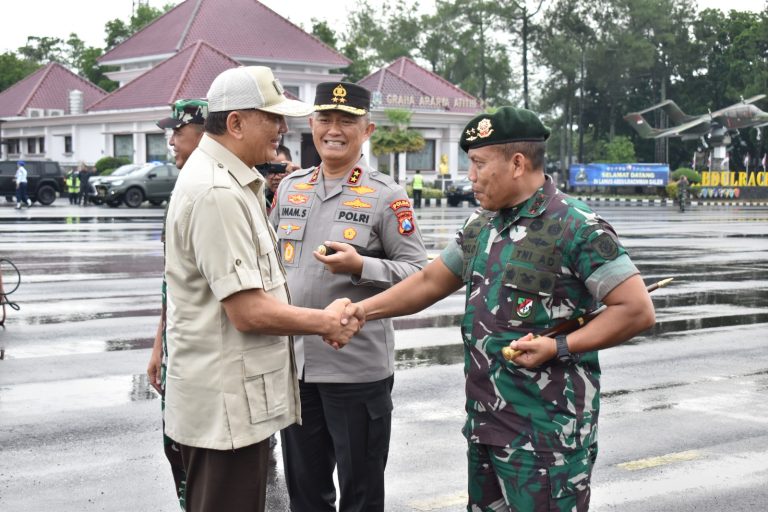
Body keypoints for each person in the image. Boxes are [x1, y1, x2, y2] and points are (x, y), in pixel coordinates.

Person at [345, 106, 656, 511]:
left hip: (547, 438)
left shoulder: (576, 226)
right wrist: (361, 312)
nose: (469, 176)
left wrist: (558, 348)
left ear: (517, 163)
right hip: (486, 426)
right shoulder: (483, 225)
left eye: (477, 164)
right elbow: (428, 282)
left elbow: (635, 309)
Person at [163, 66, 360, 512]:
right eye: (271, 118)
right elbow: (248, 311)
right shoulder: (217, 191)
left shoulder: (231, 179)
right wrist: (325, 321)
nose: (282, 129)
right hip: (225, 411)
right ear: (235, 123)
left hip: (232, 406)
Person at [271, 82, 428, 512]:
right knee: (305, 493)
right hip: (298, 368)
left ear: (368, 130)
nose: (334, 130)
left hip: (357, 371)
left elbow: (420, 274)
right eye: (325, 119)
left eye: (347, 121)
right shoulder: (290, 188)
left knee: (360, 495)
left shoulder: (386, 195)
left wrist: (362, 266)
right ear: (312, 125)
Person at [146, 97, 208, 510]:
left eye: (178, 130)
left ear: (204, 132)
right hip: (177, 348)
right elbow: (174, 283)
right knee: (177, 453)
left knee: (203, 468)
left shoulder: (215, 192)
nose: (171, 139)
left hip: (203, 358)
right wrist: (158, 346)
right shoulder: (181, 189)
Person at [264, 144, 299, 212]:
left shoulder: (302, 195)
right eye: (271, 171)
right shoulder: (259, 197)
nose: (276, 177)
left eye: (281, 170)